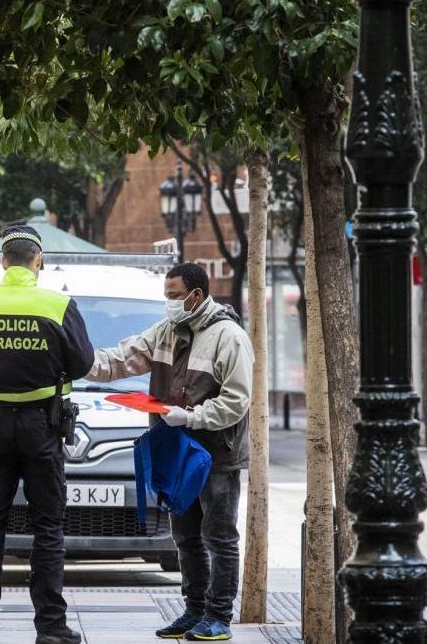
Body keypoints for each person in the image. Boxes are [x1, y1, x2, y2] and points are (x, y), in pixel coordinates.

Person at [85, 262, 253, 641]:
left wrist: (191, 417)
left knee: (219, 535)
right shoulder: (166, 332)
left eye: (174, 296)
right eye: (166, 296)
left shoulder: (229, 336)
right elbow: (123, 358)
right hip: (176, 450)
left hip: (215, 454)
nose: (169, 303)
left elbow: (237, 400)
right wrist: (81, 361)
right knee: (185, 536)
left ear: (196, 295)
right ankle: (193, 611)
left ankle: (219, 616)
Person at [0, 226, 94, 644]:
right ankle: (50, 628)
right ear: (38, 261)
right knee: (48, 528)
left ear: (3, 261)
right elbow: (84, 363)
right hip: (42, 427)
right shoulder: (58, 304)